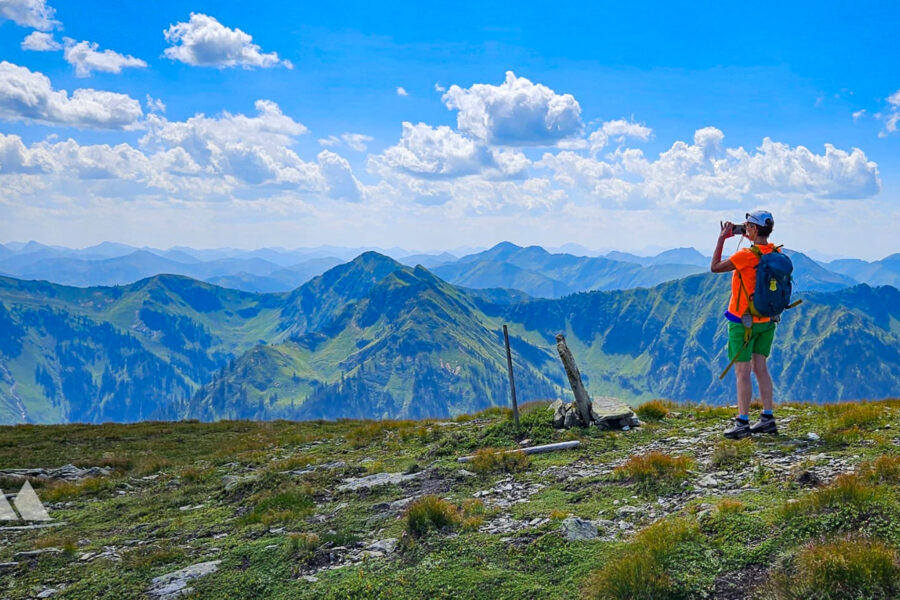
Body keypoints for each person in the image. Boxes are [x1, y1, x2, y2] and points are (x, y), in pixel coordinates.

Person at [710, 210, 779, 439]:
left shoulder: (745, 256)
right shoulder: (776, 252)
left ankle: (742, 422)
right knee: (761, 368)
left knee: (742, 372)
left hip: (742, 322)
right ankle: (768, 419)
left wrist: (721, 238)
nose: (745, 227)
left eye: (748, 225)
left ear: (755, 229)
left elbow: (715, 267)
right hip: (767, 321)